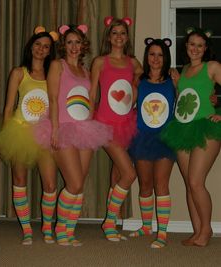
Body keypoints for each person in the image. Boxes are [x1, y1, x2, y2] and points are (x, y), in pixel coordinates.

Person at [34, 24, 112, 246]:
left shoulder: (86, 72)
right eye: (69, 42)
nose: (74, 46)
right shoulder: (58, 66)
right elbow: (53, 96)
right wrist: (56, 129)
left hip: (85, 129)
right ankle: (60, 228)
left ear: (83, 45)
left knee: (80, 185)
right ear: (63, 46)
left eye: (77, 42)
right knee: (74, 183)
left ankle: (69, 230)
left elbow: (89, 100)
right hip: (63, 128)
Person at [0, 26, 58, 245]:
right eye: (38, 44)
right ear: (31, 46)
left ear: (50, 51)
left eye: (46, 46)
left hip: (44, 132)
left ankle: (47, 227)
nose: (41, 49)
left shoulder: (53, 74)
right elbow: (9, 108)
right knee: (19, 180)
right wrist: (7, 136)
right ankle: (27, 228)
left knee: (50, 184)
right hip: (20, 130)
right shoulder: (19, 72)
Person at [161, 27, 221, 247]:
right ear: (186, 47)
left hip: (206, 127)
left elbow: (209, 98)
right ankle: (197, 232)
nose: (195, 48)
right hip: (182, 127)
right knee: (189, 184)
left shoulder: (212, 67)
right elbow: (185, 99)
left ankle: (206, 230)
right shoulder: (183, 69)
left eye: (200, 45)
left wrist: (220, 114)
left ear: (206, 48)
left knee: (196, 182)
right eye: (191, 44)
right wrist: (177, 84)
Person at [90, 16, 143, 242]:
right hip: (105, 123)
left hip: (126, 122)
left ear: (127, 37)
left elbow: (142, 81)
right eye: (115, 33)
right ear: (109, 37)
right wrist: (87, 120)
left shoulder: (134, 62)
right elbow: (92, 93)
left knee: (118, 173)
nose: (119, 37)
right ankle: (109, 222)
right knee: (130, 173)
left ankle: (114, 223)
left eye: (123, 33)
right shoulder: (100, 61)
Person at [128, 38, 177, 248]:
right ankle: (147, 225)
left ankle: (162, 233)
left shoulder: (174, 78)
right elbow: (128, 104)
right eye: (151, 54)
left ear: (165, 58)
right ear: (146, 57)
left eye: (160, 55)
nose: (156, 59)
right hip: (142, 137)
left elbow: (190, 98)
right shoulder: (139, 80)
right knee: (145, 185)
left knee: (161, 184)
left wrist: (212, 98)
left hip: (166, 138)